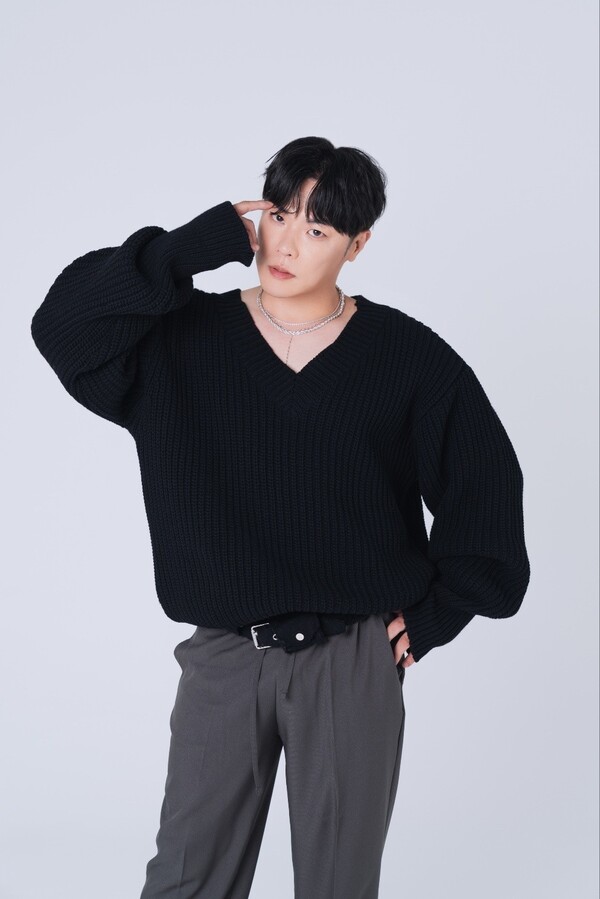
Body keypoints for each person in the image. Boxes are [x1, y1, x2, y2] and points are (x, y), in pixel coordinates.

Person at [30, 136, 530, 898]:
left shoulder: (407, 358)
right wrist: (186, 250)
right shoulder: (179, 341)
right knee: (186, 878)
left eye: (318, 228)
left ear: (358, 244)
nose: (288, 243)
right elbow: (62, 326)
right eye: (280, 214)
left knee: (338, 885)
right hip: (224, 657)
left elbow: (485, 486)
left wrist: (438, 612)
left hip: (353, 660)